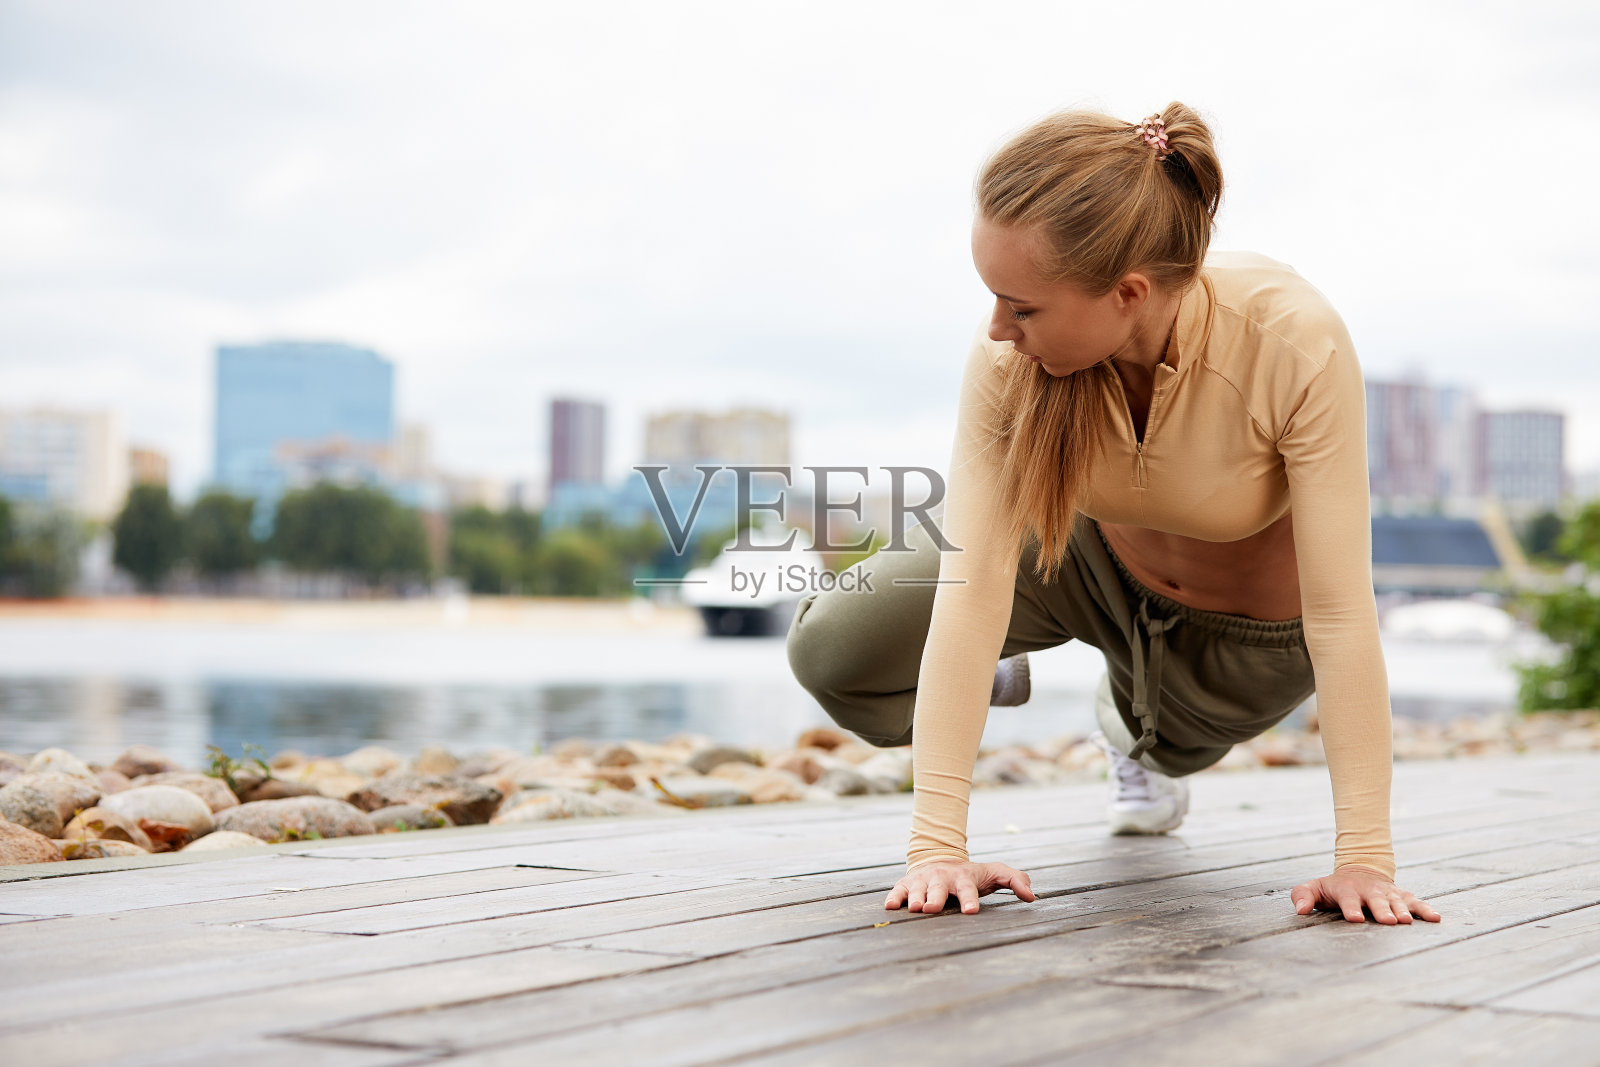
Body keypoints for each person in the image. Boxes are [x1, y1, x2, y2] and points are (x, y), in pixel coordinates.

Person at [785, 103, 1442, 927]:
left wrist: (1364, 861)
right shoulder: (1009, 361)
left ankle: (1133, 742)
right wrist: (936, 849)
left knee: (1163, 742)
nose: (996, 328)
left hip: (1237, 631)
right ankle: (990, 669)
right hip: (1080, 557)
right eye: (994, 298)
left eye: (1021, 307)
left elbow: (1344, 614)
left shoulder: (1293, 341)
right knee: (832, 646)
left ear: (1127, 293)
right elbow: (973, 579)